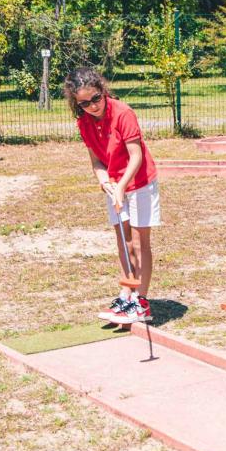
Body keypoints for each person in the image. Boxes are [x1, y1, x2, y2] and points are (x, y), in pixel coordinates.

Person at [63, 67, 160, 324]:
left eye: (95, 98)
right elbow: (96, 161)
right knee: (123, 242)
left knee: (140, 243)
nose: (92, 106)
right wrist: (105, 182)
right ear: (76, 103)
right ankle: (126, 294)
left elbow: (136, 156)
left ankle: (141, 302)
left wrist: (121, 185)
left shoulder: (123, 112)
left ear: (103, 91)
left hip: (138, 182)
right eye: (84, 103)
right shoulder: (83, 122)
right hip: (115, 184)